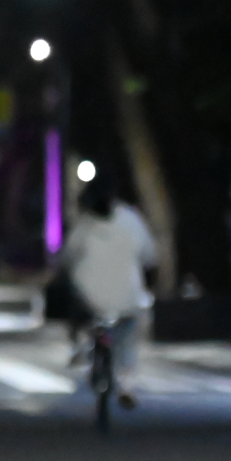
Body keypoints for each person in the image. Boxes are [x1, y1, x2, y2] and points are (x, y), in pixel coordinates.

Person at [60, 173, 157, 408]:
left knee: (78, 307)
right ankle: (126, 383)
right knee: (129, 335)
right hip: (128, 299)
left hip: (90, 300)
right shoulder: (131, 220)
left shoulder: (84, 226)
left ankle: (80, 347)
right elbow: (150, 255)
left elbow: (68, 257)